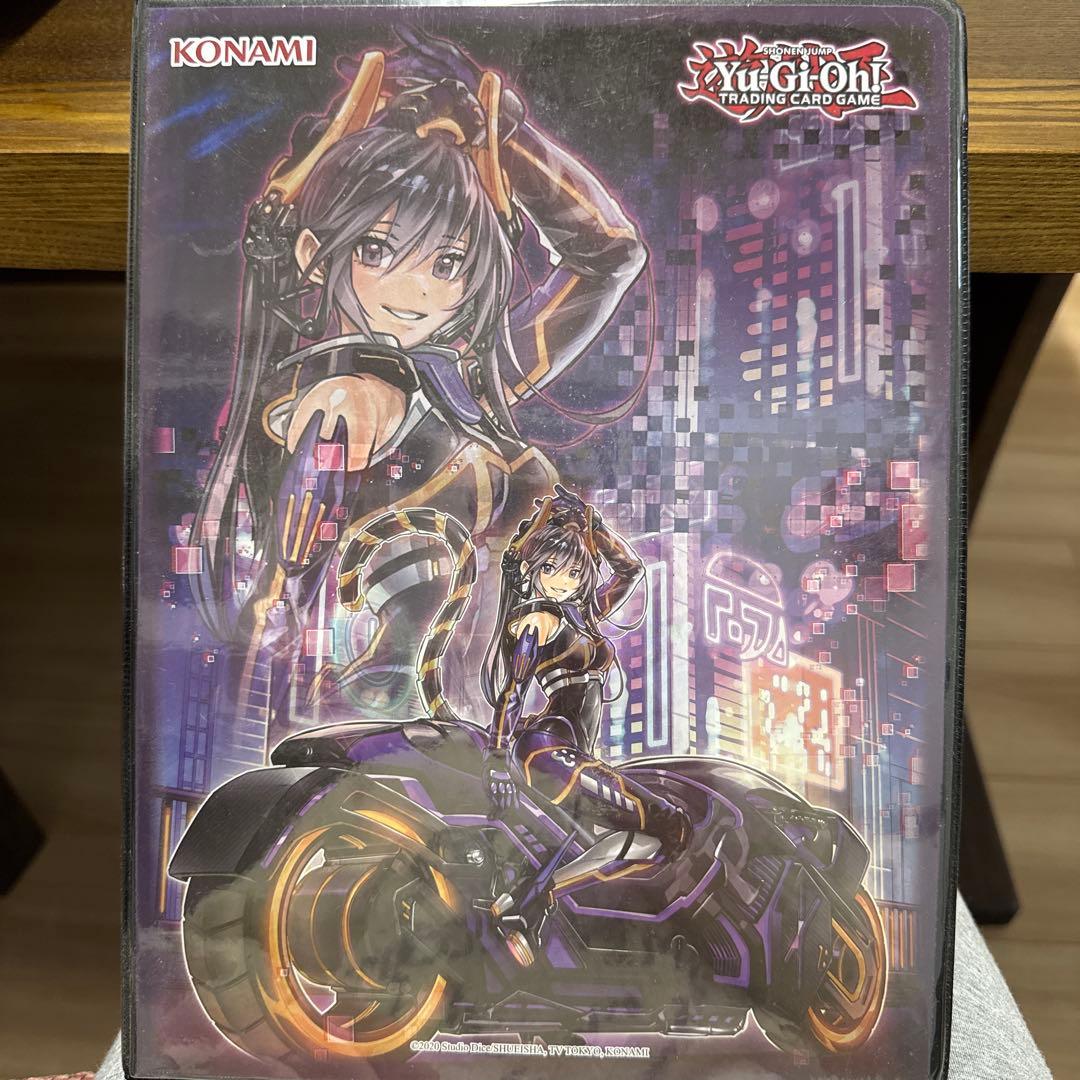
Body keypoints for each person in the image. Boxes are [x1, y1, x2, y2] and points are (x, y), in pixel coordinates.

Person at [189, 30, 649, 735]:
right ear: (315, 253)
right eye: (377, 250)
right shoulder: (339, 395)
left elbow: (613, 254)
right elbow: (287, 587)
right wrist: (280, 590)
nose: (415, 291)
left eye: (447, 263)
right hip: (383, 726)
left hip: (493, 724)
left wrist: (502, 138)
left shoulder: (469, 382)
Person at [480, 486, 691, 965]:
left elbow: (630, 570)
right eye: (552, 569)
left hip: (575, 754)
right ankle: (530, 902)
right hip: (548, 752)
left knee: (652, 839)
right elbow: (513, 691)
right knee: (669, 824)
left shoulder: (583, 615)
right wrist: (496, 758)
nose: (564, 580)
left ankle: (526, 899)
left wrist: (595, 527)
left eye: (575, 571)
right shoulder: (536, 621)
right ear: (533, 569)